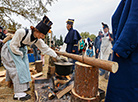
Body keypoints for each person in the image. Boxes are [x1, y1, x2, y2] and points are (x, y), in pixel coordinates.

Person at [1, 16, 62, 101]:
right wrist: (20, 54)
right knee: (18, 68)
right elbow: (13, 45)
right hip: (11, 49)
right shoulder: (21, 32)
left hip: (20, 50)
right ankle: (18, 94)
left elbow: (45, 48)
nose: (43, 37)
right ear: (37, 31)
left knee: (25, 67)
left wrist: (56, 56)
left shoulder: (37, 40)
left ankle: (23, 87)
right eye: (42, 34)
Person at [105, 0, 138, 102]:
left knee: (126, 92)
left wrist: (123, 46)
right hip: (126, 51)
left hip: (130, 54)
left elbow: (135, 18)